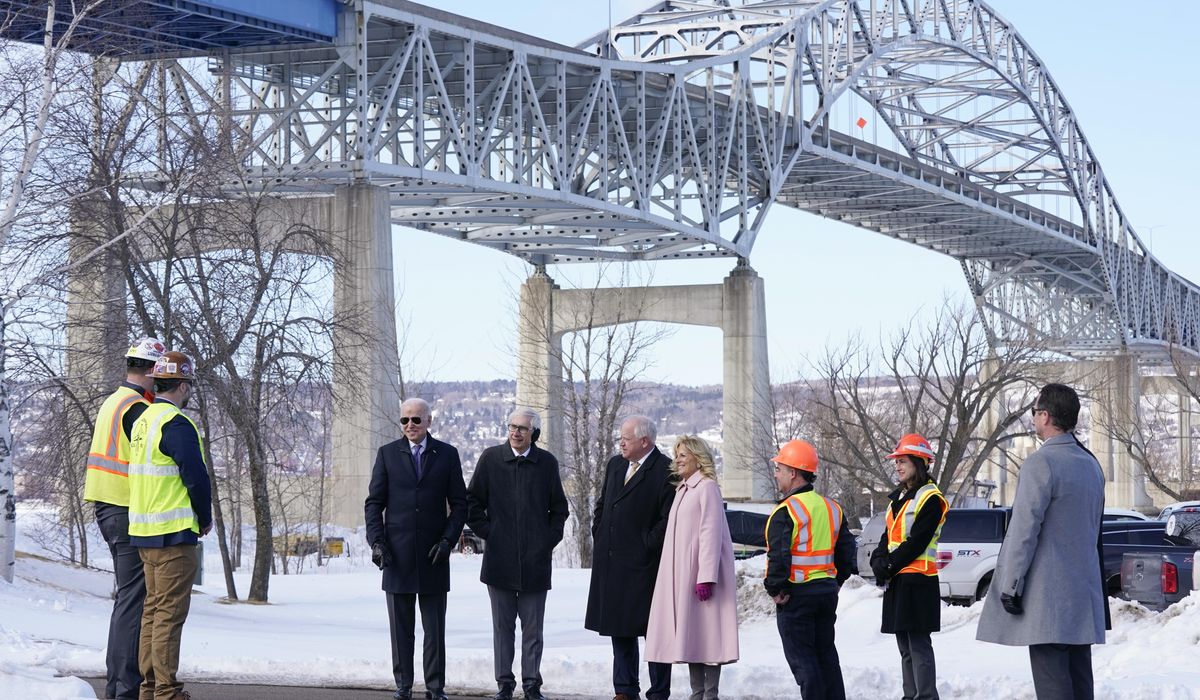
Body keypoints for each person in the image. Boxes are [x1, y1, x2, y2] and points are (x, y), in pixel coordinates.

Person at [977, 383, 1108, 700]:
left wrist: (1011, 585)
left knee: (1053, 685)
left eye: (1034, 413)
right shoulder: (1091, 465)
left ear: (1046, 416)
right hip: (1083, 595)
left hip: (1049, 599)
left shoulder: (1042, 463)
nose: (1033, 419)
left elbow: (1024, 530)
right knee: (1080, 683)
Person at [365, 397, 468, 700]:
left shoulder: (447, 455)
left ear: (428, 421)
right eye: (405, 420)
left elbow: (460, 505)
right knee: (401, 630)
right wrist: (377, 543)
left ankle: (436, 688)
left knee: (434, 630)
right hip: (396, 556)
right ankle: (403, 686)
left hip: (434, 554)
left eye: (416, 420)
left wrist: (448, 541)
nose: (410, 425)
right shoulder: (387, 455)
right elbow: (374, 504)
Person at [467, 407, 569, 700]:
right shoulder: (491, 459)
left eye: (522, 428)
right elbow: (472, 502)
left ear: (533, 433)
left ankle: (532, 684)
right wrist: (490, 533)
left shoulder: (546, 463)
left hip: (535, 563)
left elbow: (559, 509)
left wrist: (546, 541)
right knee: (502, 629)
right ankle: (504, 685)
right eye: (512, 426)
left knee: (533, 630)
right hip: (499, 562)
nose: (516, 432)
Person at [126, 351, 212, 700]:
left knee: (152, 613)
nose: (188, 390)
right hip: (173, 536)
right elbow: (196, 476)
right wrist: (204, 518)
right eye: (188, 384)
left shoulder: (143, 421)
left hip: (145, 533)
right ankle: (165, 691)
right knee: (168, 617)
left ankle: (149, 688)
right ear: (180, 384)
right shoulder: (176, 424)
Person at [83, 336, 165, 700]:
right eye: (159, 372)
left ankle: (119, 684)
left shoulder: (113, 401)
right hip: (125, 510)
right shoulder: (136, 409)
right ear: (150, 370)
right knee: (135, 601)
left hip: (108, 507)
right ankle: (125, 689)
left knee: (127, 600)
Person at [585, 415, 676, 700]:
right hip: (612, 561)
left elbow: (667, 518)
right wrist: (599, 531)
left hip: (645, 565)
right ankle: (624, 689)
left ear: (645, 441)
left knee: (654, 631)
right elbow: (602, 503)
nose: (620, 442)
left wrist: (645, 544)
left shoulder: (665, 470)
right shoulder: (615, 465)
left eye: (626, 438)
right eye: (620, 438)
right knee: (619, 627)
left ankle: (659, 691)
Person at [646, 435, 738, 700]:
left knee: (708, 637)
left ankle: (710, 694)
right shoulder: (683, 489)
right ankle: (696, 693)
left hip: (700, 576)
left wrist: (706, 576)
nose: (678, 460)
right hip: (682, 577)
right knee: (693, 637)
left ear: (698, 457)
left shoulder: (707, 487)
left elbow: (711, 532)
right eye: (677, 455)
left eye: (683, 455)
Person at [764, 439, 855, 700]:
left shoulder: (786, 511)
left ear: (793, 472)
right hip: (826, 593)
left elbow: (779, 554)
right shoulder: (832, 507)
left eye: (779, 468)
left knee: (805, 663)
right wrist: (835, 581)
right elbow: (847, 552)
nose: (776, 473)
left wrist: (776, 588)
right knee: (826, 656)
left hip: (796, 596)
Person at [870, 434, 948, 700]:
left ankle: (925, 696)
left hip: (919, 581)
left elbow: (917, 542)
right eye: (897, 462)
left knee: (918, 646)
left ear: (920, 462)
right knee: (904, 646)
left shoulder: (931, 499)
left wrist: (889, 564)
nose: (898, 466)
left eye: (903, 461)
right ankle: (909, 696)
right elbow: (888, 536)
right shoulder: (900, 499)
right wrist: (878, 559)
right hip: (899, 580)